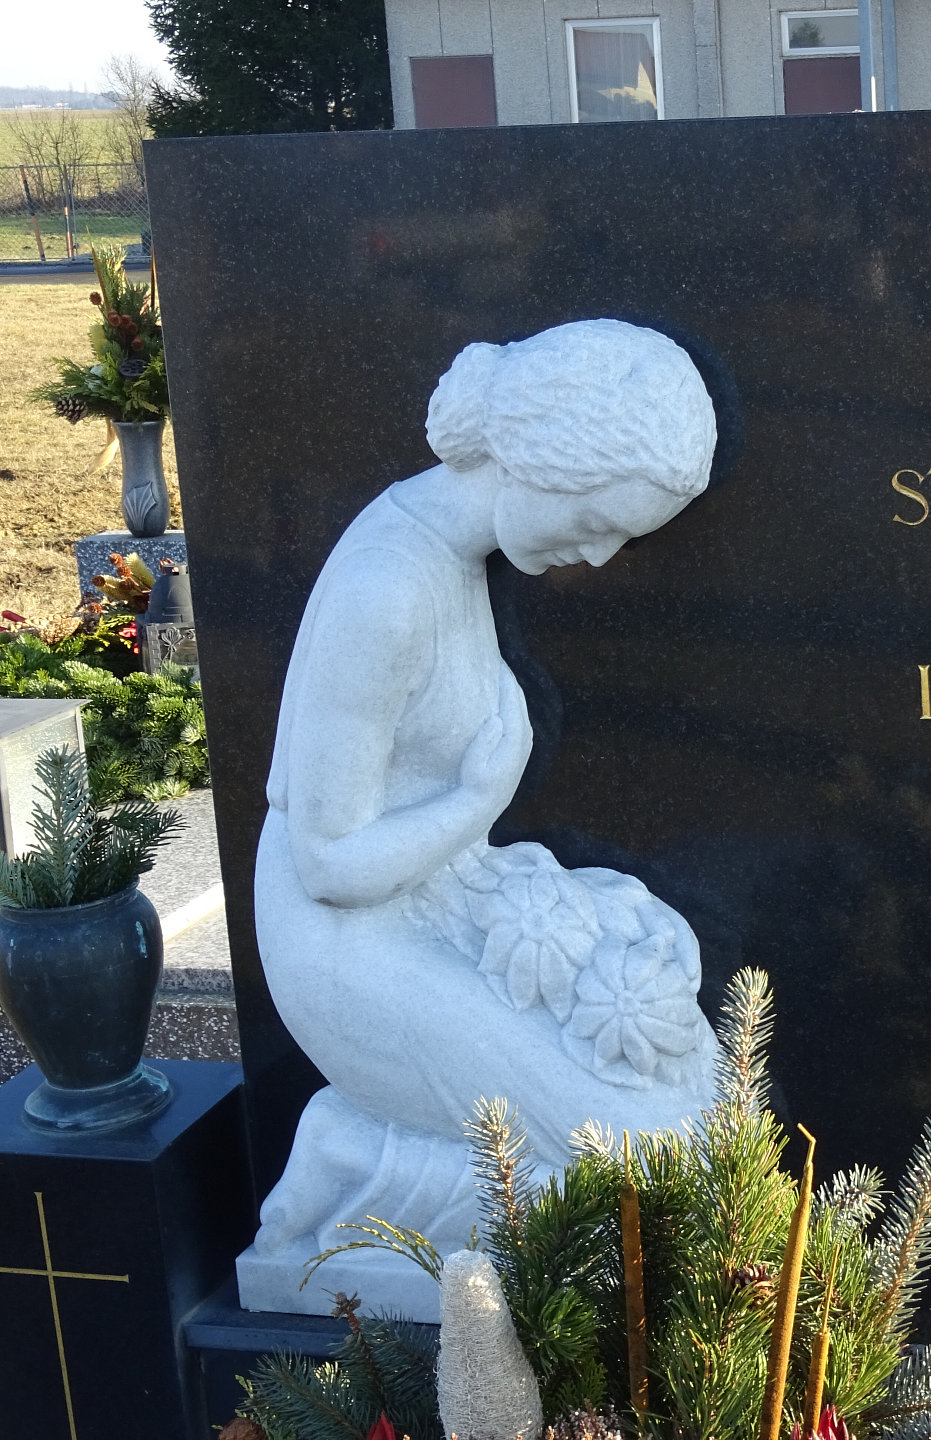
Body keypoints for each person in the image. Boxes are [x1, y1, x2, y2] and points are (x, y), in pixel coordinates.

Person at [240, 320, 720, 1313]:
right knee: (643, 1155)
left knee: (692, 1080)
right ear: (544, 460)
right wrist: (475, 804)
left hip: (433, 888)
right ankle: (351, 1162)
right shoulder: (387, 592)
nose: (601, 553)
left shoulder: (445, 556)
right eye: (598, 520)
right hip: (345, 940)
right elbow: (326, 862)